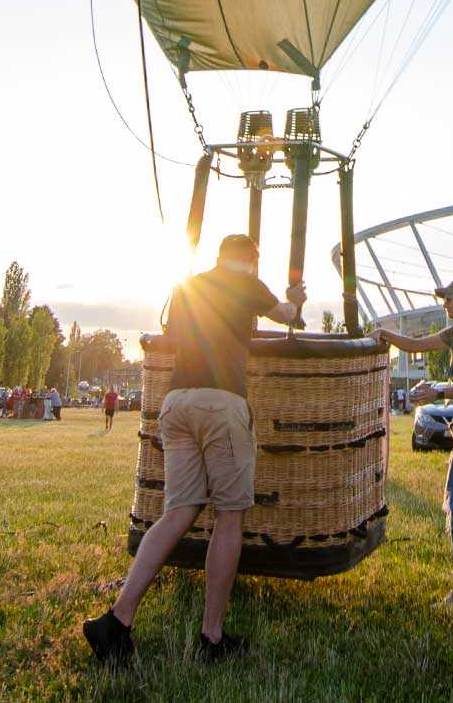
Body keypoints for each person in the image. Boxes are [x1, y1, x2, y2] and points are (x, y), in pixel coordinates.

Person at [83, 234, 303, 665]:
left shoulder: (188, 286)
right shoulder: (247, 283)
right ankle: (211, 637)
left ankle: (118, 620)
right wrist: (293, 297)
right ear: (250, 262)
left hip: (177, 403)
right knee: (229, 516)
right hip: (222, 402)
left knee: (179, 511)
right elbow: (286, 315)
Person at [372, 278, 453, 614]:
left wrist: (439, 392)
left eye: (449, 299)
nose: (444, 304)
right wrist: (384, 335)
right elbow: (414, 343)